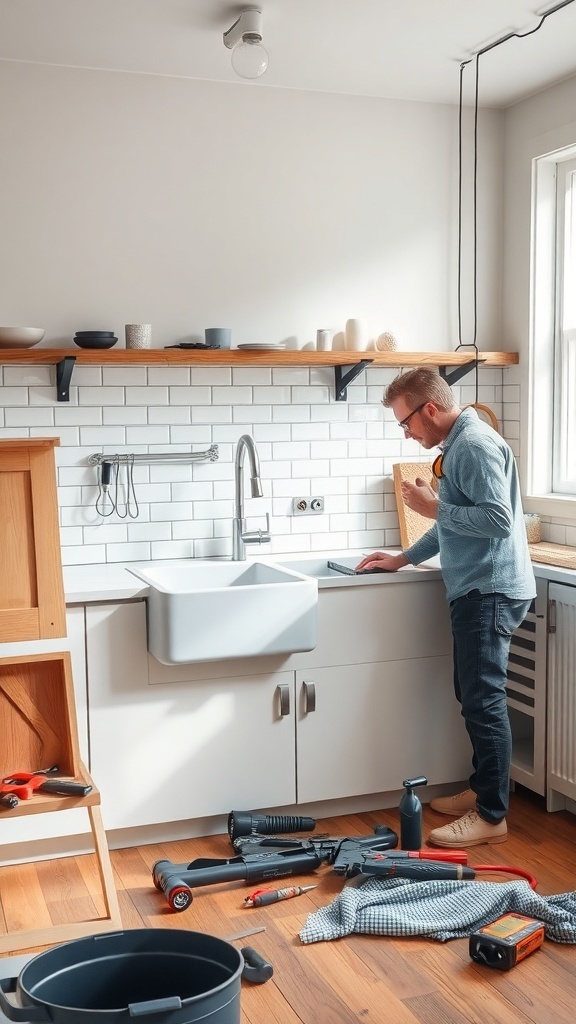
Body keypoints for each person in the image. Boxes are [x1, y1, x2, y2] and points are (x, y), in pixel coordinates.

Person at [356, 367, 536, 848]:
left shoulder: (473, 446)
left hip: (489, 590)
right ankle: (482, 793)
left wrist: (433, 507)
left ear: (429, 409)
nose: (407, 432)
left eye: (406, 422)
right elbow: (459, 524)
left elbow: (496, 520)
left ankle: (492, 816)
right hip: (484, 588)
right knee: (473, 696)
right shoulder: (460, 446)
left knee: (483, 701)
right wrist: (402, 557)